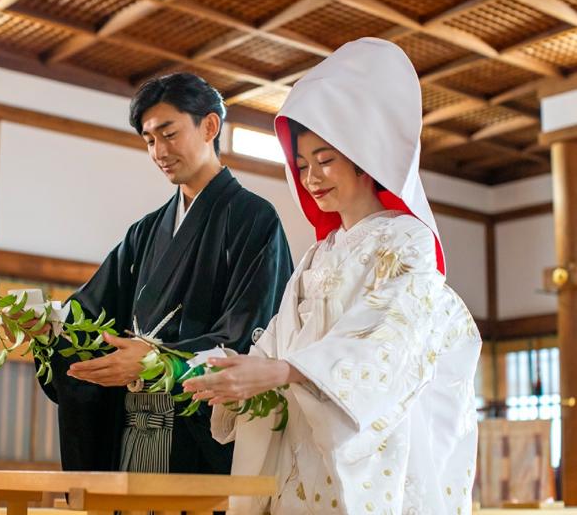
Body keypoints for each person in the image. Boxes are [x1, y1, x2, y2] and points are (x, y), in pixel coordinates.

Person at [183, 38, 482, 514]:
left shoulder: (407, 241)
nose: (311, 178)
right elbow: (278, 343)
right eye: (301, 166)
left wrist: (280, 372)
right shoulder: (318, 256)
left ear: (366, 156)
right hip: (305, 448)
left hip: (368, 452)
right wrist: (232, 372)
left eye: (325, 160)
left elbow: (386, 342)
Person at [37, 72, 294, 475]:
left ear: (209, 126)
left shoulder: (254, 219)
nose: (159, 151)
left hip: (201, 435)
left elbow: (251, 332)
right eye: (149, 140)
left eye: (169, 134)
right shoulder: (145, 232)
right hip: (133, 432)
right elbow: (90, 313)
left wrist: (159, 361)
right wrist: (49, 327)